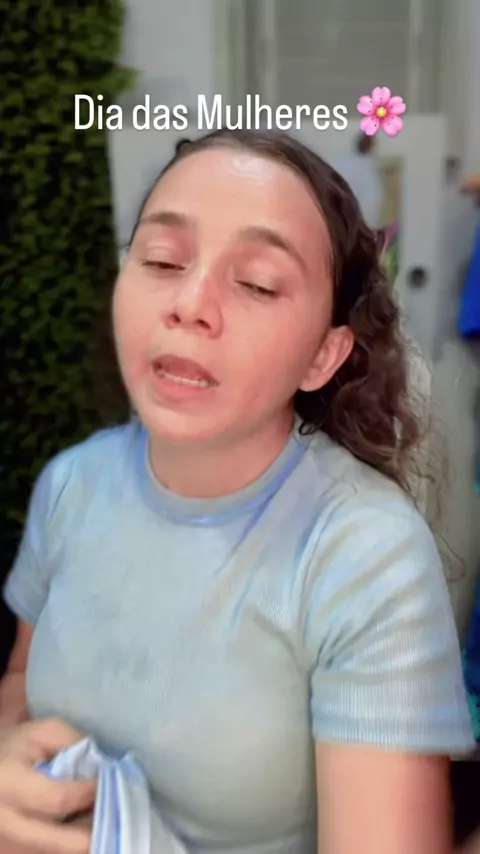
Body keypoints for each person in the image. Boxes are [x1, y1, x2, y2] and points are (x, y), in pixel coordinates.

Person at [0, 128, 476, 854]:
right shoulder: (73, 484)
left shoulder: (363, 555)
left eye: (255, 282)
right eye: (162, 260)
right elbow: (22, 679)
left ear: (323, 355)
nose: (189, 302)